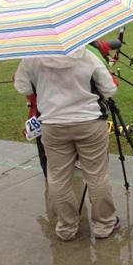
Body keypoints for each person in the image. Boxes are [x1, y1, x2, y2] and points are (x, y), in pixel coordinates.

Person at [14, 47, 120, 241]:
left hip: (54, 125)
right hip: (88, 122)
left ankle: (66, 227)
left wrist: (44, 87)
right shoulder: (87, 55)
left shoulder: (30, 59)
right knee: (96, 175)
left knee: (58, 177)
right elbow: (110, 89)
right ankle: (104, 224)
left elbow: (23, 87)